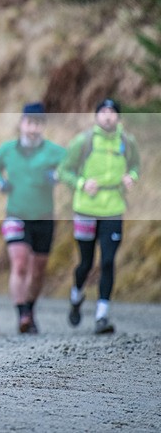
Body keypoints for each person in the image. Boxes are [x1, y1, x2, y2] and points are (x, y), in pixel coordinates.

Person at [57, 98, 139, 335]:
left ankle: (102, 315)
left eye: (112, 112)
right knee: (86, 262)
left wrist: (131, 177)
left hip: (113, 208)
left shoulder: (127, 142)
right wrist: (82, 183)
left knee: (107, 261)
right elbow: (64, 171)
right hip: (86, 209)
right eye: (103, 111)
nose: (108, 116)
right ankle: (76, 296)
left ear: (119, 117)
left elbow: (136, 166)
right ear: (96, 116)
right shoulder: (83, 141)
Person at [0, 102, 66, 334]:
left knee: (38, 269)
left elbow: (71, 166)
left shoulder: (54, 151)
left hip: (44, 217)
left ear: (43, 127)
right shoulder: (7, 149)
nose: (33, 129)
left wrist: (58, 175)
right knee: (20, 263)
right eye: (30, 123)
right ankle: (22, 313)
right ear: (22, 124)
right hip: (16, 214)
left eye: (38, 124)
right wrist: (0, 182)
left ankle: (30, 309)